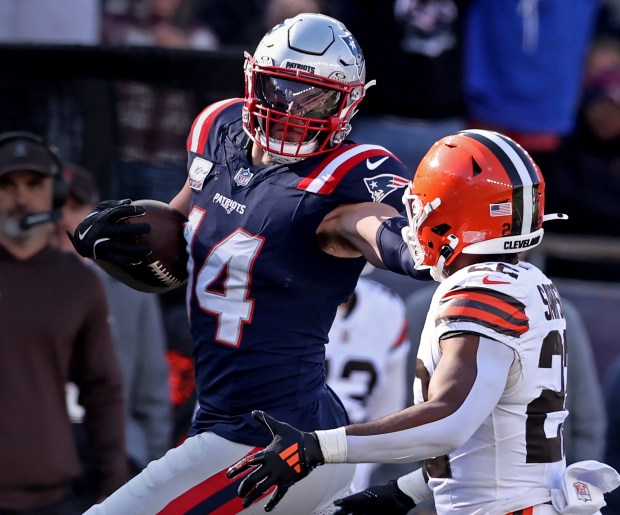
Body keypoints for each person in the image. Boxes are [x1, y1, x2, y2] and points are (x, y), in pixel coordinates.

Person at [69, 13, 430, 514]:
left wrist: (413, 243)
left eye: (314, 98)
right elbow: (184, 227)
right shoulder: (218, 129)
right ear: (251, 77)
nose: (292, 110)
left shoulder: (346, 175)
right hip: (247, 424)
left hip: (267, 437)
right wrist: (130, 238)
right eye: (279, 88)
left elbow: (370, 225)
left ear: (347, 104)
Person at [227, 129, 620, 514]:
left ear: (453, 214)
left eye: (422, 205)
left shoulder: (481, 290)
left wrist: (318, 446)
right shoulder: (531, 284)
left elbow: (450, 418)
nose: (412, 220)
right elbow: (494, 427)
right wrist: (407, 490)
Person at [0, 131, 128, 513]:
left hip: (50, 498)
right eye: (7, 184)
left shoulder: (79, 283)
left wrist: (114, 486)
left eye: (34, 184)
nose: (21, 198)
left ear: (53, 193)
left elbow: (102, 389)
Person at [55, 163, 173, 480]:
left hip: (119, 451)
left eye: (75, 207)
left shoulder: (129, 289)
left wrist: (151, 467)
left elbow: (153, 390)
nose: (62, 219)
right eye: (55, 206)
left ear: (94, 214)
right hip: (35, 450)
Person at [325, 275, 411, 491]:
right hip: (288, 444)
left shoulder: (385, 307)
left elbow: (389, 408)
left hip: (353, 450)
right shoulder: (284, 300)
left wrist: (362, 460)